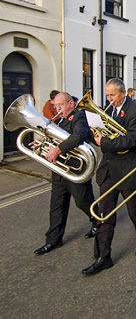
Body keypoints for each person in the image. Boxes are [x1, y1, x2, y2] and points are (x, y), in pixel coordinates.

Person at [82, 78, 136, 275]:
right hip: (108, 170)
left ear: (123, 93)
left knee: (134, 210)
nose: (109, 99)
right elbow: (102, 135)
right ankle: (103, 257)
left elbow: (132, 140)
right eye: (107, 95)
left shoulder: (135, 110)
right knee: (104, 214)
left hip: (128, 168)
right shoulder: (108, 110)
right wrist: (93, 133)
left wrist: (104, 142)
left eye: (112, 95)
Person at [34, 92, 96, 255]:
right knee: (57, 206)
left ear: (70, 103)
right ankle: (53, 240)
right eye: (56, 106)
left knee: (83, 201)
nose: (58, 109)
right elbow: (53, 138)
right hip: (59, 170)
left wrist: (58, 149)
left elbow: (79, 136)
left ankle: (98, 221)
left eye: (60, 105)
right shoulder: (59, 120)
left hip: (75, 168)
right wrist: (42, 143)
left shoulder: (79, 116)